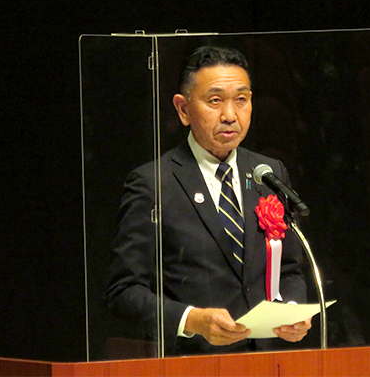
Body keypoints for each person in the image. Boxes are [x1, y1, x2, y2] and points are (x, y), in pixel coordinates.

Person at [106, 45, 311, 355]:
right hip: (193, 361)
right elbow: (122, 291)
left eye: (241, 100)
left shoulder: (267, 173)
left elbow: (290, 271)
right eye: (215, 101)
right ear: (183, 109)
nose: (230, 115)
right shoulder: (154, 184)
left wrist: (292, 310)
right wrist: (192, 320)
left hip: (267, 360)